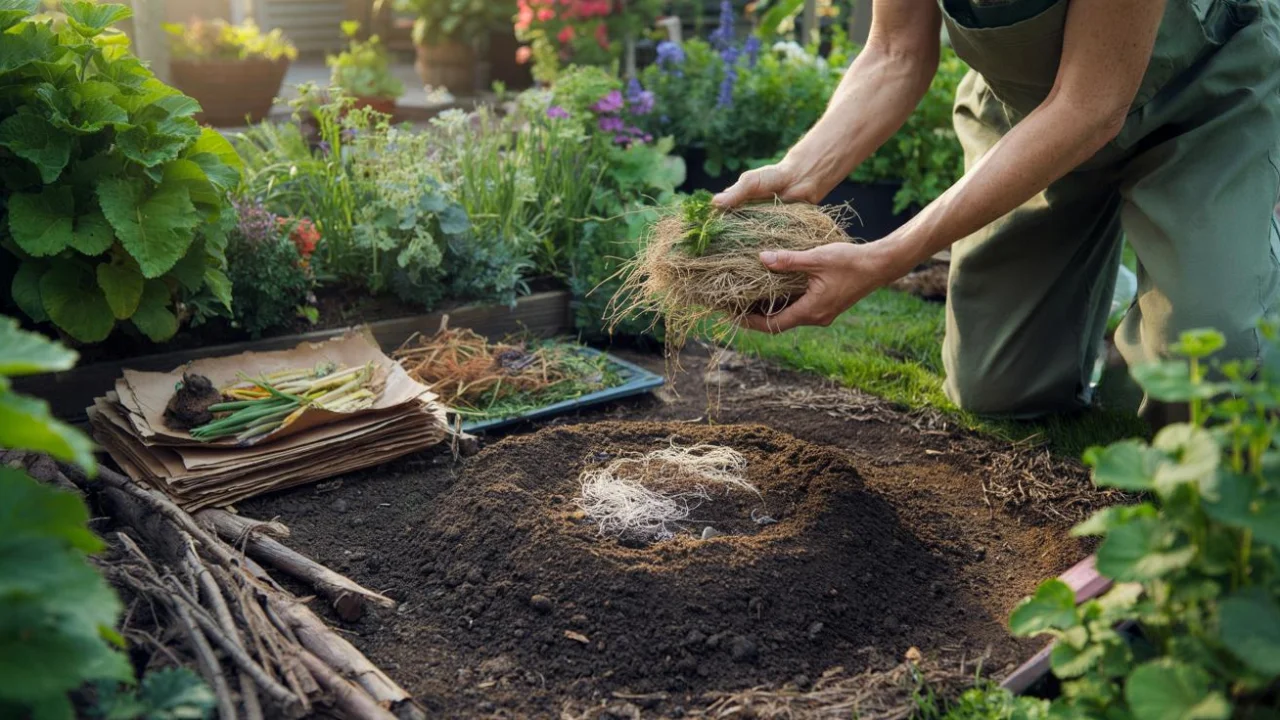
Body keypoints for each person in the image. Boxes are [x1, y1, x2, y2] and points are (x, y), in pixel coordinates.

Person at [714, 0, 1280, 424]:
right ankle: (1114, 284)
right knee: (998, 392)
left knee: (1209, 380)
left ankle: (1237, 255)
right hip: (1031, 111)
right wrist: (801, 170)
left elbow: (1091, 107)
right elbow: (893, 53)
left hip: (1203, 101)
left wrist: (886, 258)